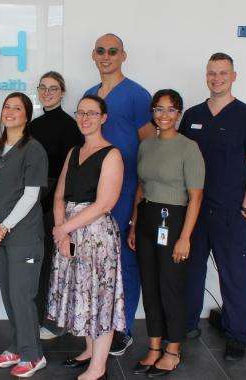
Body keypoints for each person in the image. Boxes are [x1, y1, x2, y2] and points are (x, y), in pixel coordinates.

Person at [179, 53, 246, 361]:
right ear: (206, 76)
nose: (216, 78)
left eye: (223, 73)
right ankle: (188, 324)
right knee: (191, 272)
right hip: (195, 210)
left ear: (234, 76)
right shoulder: (192, 115)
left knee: (233, 274)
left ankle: (237, 335)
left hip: (231, 211)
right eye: (212, 73)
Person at [46, 95, 126, 380]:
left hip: (95, 235)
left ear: (103, 118)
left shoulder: (112, 154)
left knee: (99, 298)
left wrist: (63, 229)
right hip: (68, 229)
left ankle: (98, 367)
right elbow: (59, 196)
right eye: (81, 113)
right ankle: (90, 350)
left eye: (92, 113)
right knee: (83, 294)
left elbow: (104, 203)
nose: (85, 118)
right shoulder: (73, 151)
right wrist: (61, 231)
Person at [85, 33, 155, 355]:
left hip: (126, 191)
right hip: (93, 191)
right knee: (96, 259)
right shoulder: (89, 96)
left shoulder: (137, 96)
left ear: (123, 56)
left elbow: (150, 145)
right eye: (101, 51)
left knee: (124, 258)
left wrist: (141, 191)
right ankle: (97, 325)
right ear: (93, 55)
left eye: (113, 51)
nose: (106, 56)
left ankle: (122, 328)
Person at [127, 89, 204, 376]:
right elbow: (140, 187)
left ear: (179, 113)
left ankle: (173, 349)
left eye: (171, 110)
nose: (164, 115)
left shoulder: (189, 148)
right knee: (150, 285)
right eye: (159, 109)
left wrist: (184, 237)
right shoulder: (146, 145)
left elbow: (195, 197)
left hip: (172, 221)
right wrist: (135, 223)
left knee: (170, 286)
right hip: (147, 218)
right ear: (152, 113)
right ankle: (154, 346)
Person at [0, 92, 49, 378]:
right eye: (7, 107)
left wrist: (4, 226)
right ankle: (17, 346)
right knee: (10, 294)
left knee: (22, 295)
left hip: (22, 234)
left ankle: (33, 355)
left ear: (26, 115)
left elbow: (31, 196)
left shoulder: (34, 150)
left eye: (17, 108)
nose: (10, 111)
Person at [28, 71, 83, 340]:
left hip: (54, 205)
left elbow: (69, 170)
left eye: (53, 88)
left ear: (62, 92)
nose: (47, 92)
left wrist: (51, 204)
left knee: (55, 264)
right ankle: (39, 318)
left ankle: (53, 322)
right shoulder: (33, 125)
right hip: (33, 204)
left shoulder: (70, 126)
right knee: (38, 264)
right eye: (43, 88)